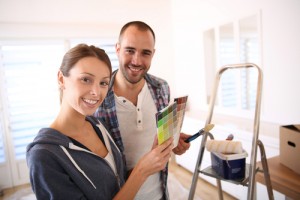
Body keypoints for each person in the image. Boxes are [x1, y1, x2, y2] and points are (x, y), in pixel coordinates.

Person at [26, 44, 173, 200]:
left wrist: (150, 162)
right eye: (86, 79)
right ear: (61, 79)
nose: (96, 92)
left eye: (103, 83)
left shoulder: (98, 126)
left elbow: (118, 182)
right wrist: (141, 171)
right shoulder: (44, 156)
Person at [94, 21, 191, 200]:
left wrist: (173, 140)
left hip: (160, 193)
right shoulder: (97, 97)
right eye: (129, 50)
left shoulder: (162, 87)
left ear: (153, 54)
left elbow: (158, 138)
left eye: (145, 53)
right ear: (117, 49)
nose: (137, 61)